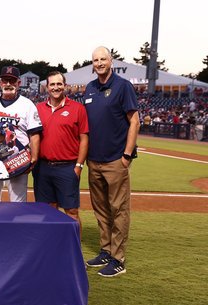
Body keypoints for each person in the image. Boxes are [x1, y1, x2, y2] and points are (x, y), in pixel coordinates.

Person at [83, 46, 140, 277]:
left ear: (111, 61)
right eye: (96, 60)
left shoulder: (123, 86)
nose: (99, 63)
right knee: (101, 209)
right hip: (94, 160)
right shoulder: (89, 88)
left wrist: (127, 155)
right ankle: (106, 251)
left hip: (116, 160)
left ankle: (118, 259)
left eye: (103, 59)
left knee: (119, 209)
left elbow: (134, 121)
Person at [33, 71, 88, 237]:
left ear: (65, 86)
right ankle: (52, 247)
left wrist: (79, 166)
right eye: (52, 84)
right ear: (47, 87)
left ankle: (74, 251)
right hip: (43, 168)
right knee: (48, 211)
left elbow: (84, 139)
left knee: (71, 212)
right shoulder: (38, 109)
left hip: (67, 167)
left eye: (59, 84)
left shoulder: (78, 108)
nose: (56, 87)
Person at [0, 66, 42, 202]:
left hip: (18, 156)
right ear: (0, 82)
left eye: (12, 81)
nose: (8, 84)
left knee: (18, 201)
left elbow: (35, 134)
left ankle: (17, 224)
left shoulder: (28, 105)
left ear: (18, 83)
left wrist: (34, 158)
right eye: (5, 80)